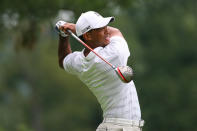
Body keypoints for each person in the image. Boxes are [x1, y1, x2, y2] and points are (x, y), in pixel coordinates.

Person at [57, 11, 144, 131]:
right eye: (102, 28)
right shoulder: (114, 54)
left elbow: (63, 60)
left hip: (111, 126)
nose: (107, 31)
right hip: (123, 127)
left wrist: (63, 36)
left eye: (106, 27)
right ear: (88, 36)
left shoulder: (79, 62)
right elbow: (116, 32)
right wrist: (75, 27)